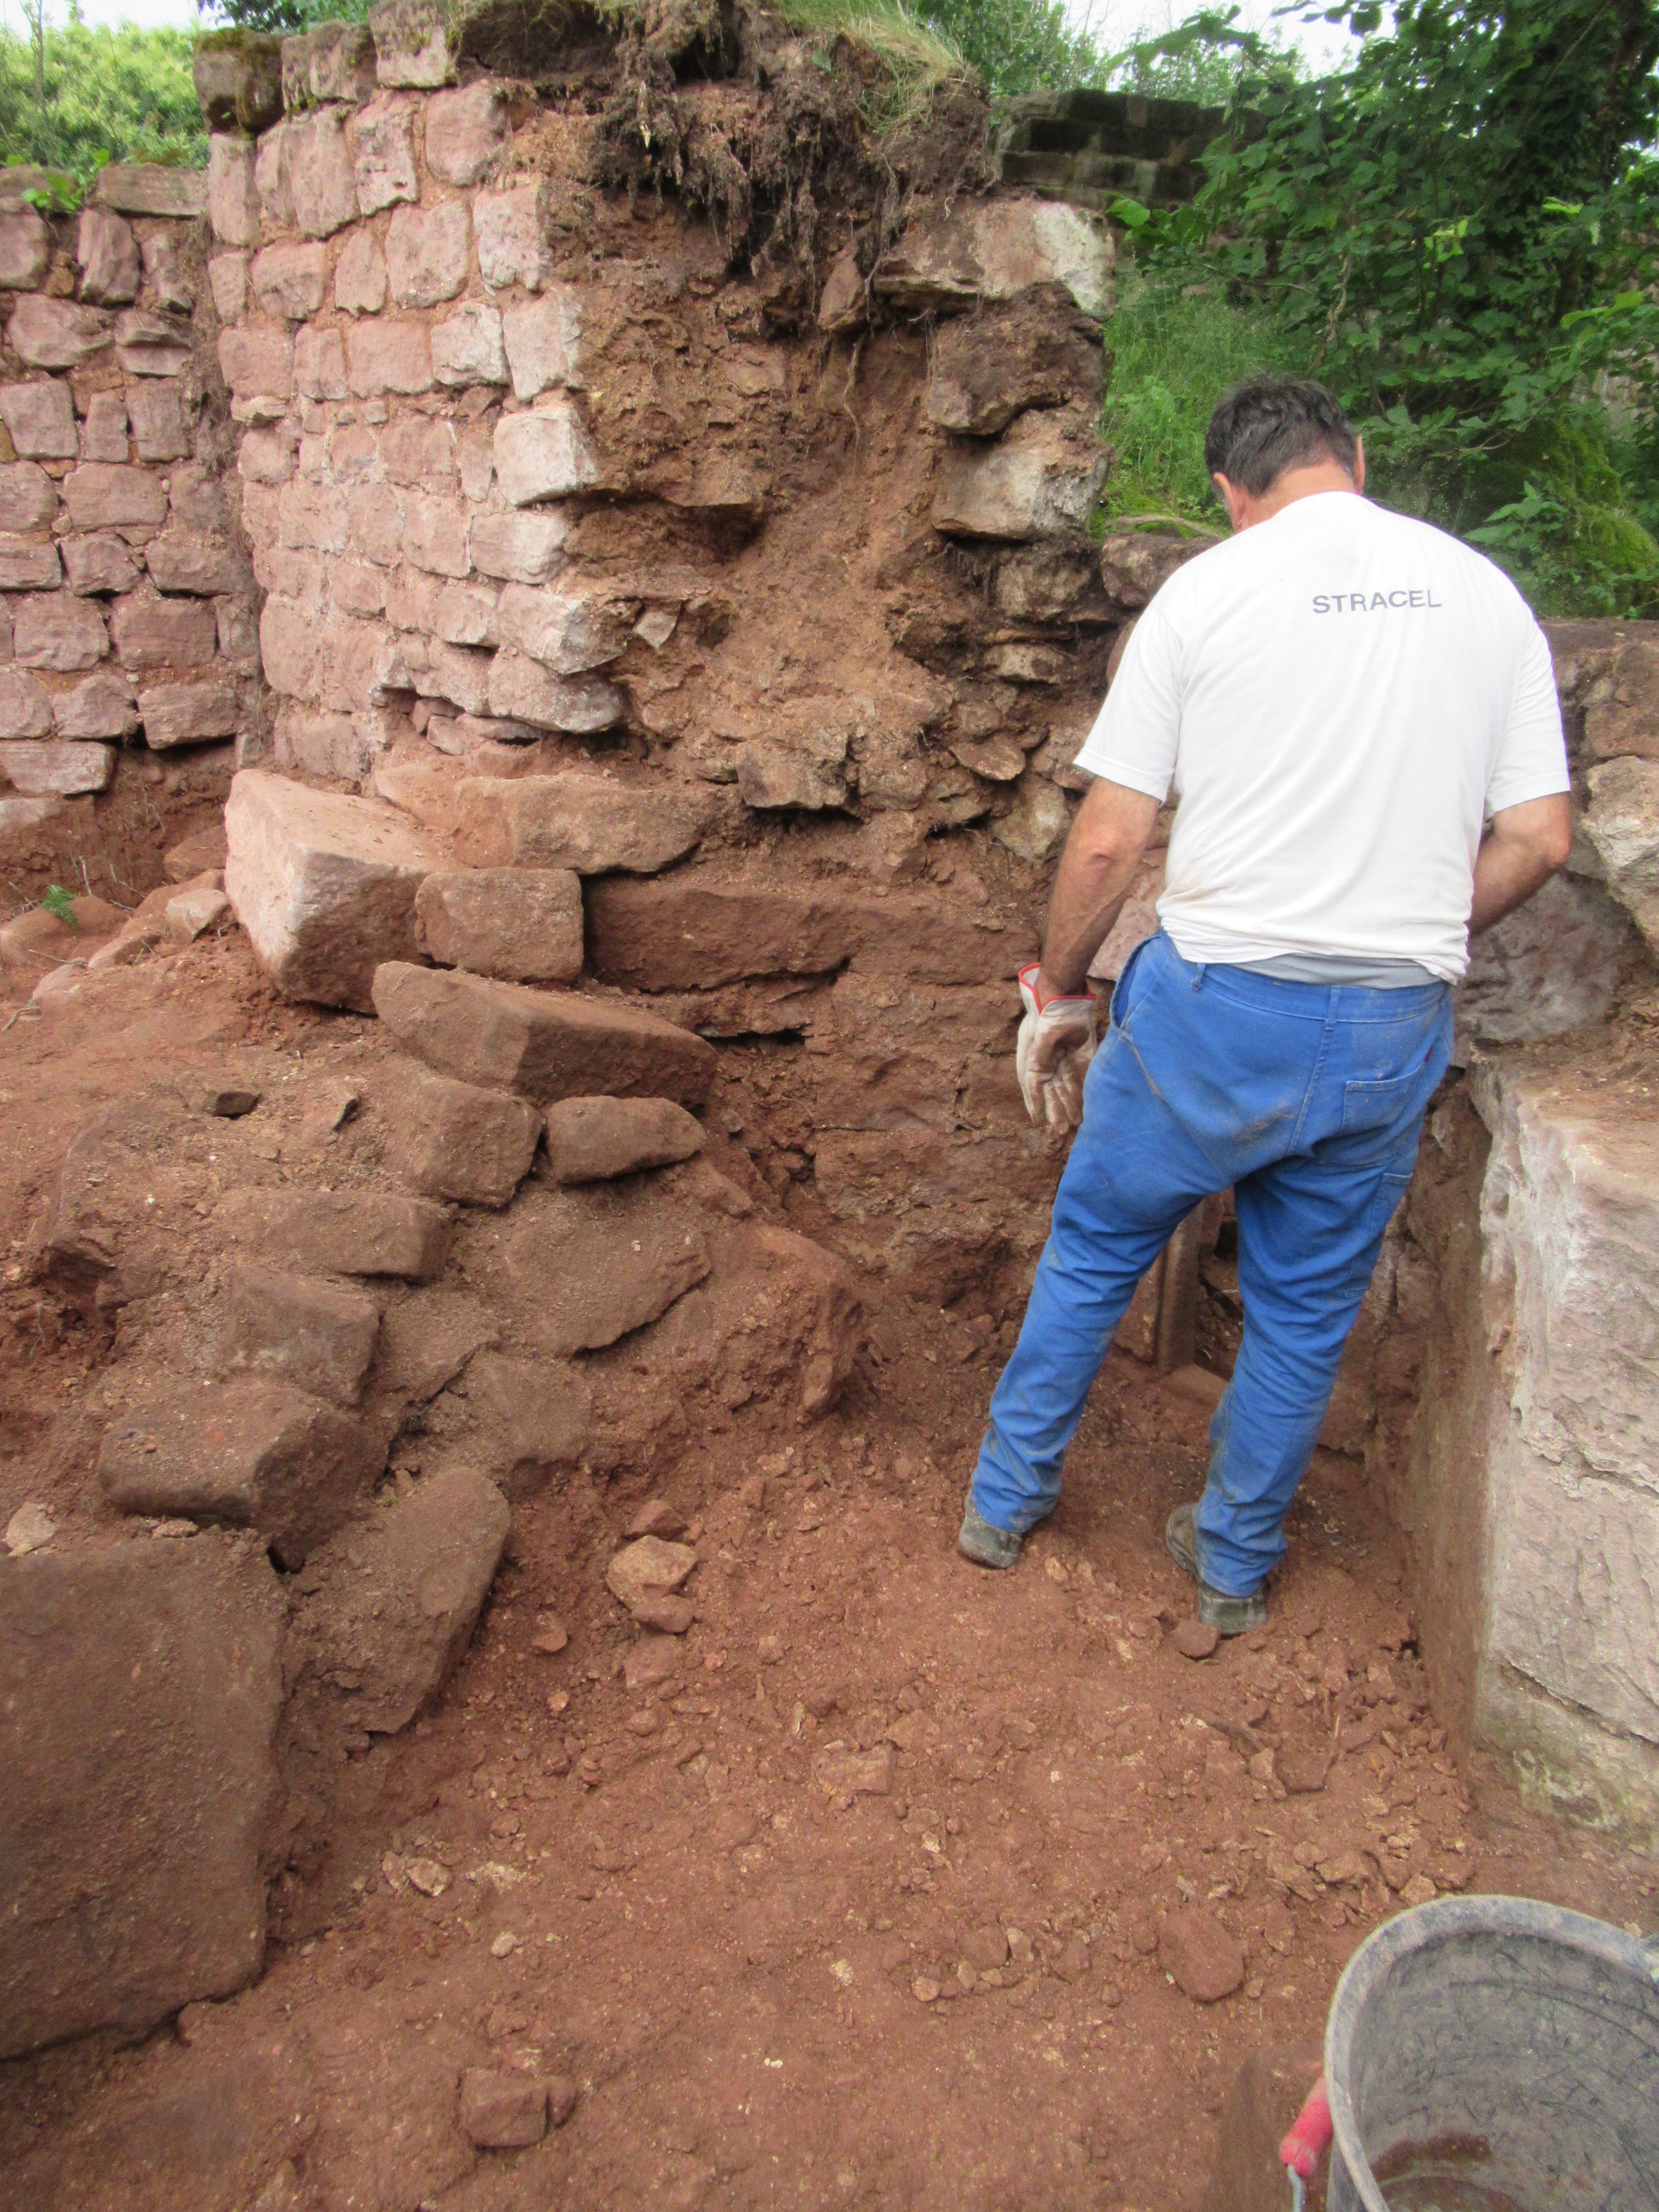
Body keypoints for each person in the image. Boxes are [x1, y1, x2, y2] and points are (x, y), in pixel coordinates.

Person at [959, 375, 1573, 1632]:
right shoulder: (1485, 595)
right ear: (1356, 456)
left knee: (1096, 1250)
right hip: (1389, 1022)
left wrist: (1057, 987)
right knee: (1303, 1314)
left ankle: (1003, 1505)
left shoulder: (1209, 590)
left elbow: (1108, 839)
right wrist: (1410, 928)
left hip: (1216, 1010)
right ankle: (1232, 1567)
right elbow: (1541, 838)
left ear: (1231, 494)